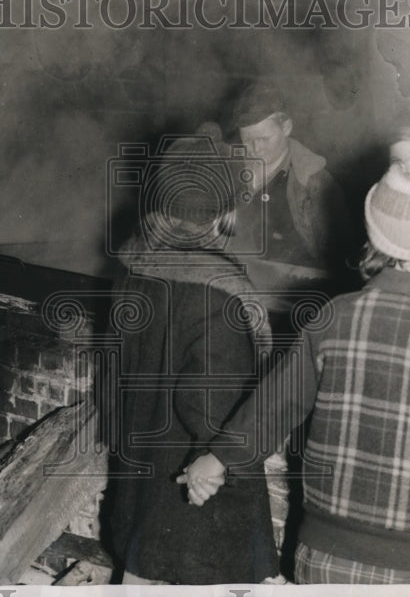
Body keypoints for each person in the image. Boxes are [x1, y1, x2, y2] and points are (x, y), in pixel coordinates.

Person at [179, 141, 410, 585]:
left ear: (375, 234)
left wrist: (215, 460)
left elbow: (273, 408)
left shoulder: (331, 317)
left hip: (325, 556)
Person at [101, 133, 279, 585]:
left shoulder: (131, 274)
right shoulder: (218, 295)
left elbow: (113, 393)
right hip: (199, 527)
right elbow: (214, 414)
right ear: (221, 211)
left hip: (140, 505)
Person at [227, 81, 354, 275]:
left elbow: (340, 259)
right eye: (247, 141)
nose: (255, 149)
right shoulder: (231, 173)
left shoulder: (315, 183)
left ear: (286, 128)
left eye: (263, 139)